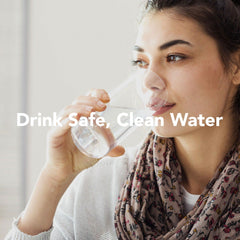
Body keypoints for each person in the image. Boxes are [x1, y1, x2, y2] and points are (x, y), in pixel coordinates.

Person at [5, 0, 240, 239]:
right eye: (141, 62)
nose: (148, 81)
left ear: (236, 67)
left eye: (175, 57)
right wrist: (54, 178)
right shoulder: (102, 182)